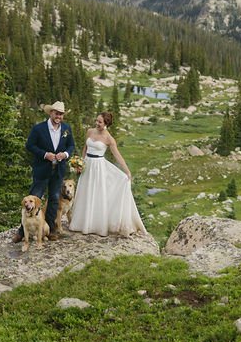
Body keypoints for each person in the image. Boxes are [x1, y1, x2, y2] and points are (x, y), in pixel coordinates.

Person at [69, 111, 146, 237]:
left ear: (106, 123)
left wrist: (127, 171)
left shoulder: (109, 139)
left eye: (100, 122)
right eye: (96, 120)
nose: (97, 123)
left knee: (97, 194)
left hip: (98, 167)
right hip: (87, 165)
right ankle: (82, 223)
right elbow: (85, 148)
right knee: (85, 192)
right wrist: (80, 163)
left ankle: (96, 225)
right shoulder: (90, 131)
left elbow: (117, 156)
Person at [13, 100, 75, 243]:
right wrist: (45, 154)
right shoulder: (39, 128)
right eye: (56, 113)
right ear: (51, 113)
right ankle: (21, 231)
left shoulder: (66, 128)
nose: (59, 116)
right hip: (42, 170)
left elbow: (71, 145)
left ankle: (50, 229)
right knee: (33, 199)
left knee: (54, 199)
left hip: (58, 170)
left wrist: (65, 154)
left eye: (61, 114)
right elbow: (30, 145)